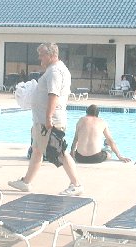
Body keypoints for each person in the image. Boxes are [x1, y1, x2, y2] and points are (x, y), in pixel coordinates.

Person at [8, 43, 83, 196]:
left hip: (49, 121)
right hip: (42, 120)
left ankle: (76, 184)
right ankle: (26, 182)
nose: (39, 58)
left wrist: (48, 118)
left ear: (51, 55)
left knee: (60, 152)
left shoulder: (55, 71)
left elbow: (53, 95)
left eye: (42, 55)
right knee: (37, 150)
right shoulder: (54, 70)